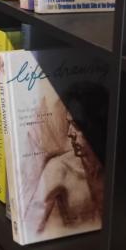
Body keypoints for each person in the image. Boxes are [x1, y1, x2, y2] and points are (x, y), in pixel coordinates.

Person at [27, 81, 108, 237]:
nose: (69, 133)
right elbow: (30, 227)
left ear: (93, 127)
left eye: (76, 125)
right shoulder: (59, 169)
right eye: (68, 123)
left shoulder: (112, 165)